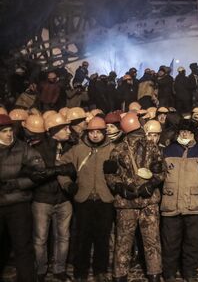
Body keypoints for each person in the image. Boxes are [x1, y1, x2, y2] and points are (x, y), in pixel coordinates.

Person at [105, 112, 166, 282]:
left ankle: (120, 276)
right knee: (152, 242)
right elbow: (161, 171)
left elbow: (110, 175)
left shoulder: (116, 149)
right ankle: (155, 275)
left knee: (123, 242)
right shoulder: (152, 147)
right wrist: (151, 184)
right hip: (148, 203)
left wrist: (120, 188)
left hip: (126, 203)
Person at [161, 119, 198, 282]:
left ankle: (189, 272)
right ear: (178, 132)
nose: (184, 134)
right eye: (182, 131)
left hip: (194, 205)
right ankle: (169, 273)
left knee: (192, 243)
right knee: (169, 243)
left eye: (188, 131)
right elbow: (158, 175)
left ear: (193, 133)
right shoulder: (167, 151)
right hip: (170, 204)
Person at [57, 117, 115, 282]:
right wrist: (67, 184)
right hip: (84, 200)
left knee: (102, 238)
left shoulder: (113, 149)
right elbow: (60, 167)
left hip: (105, 200)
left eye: (99, 132)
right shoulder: (78, 150)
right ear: (87, 133)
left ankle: (100, 271)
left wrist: (116, 179)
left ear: (104, 133)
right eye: (92, 132)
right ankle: (80, 271)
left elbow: (123, 173)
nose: (95, 135)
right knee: (82, 237)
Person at [0, 114, 45, 282]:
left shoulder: (23, 148)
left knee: (23, 247)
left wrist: (18, 183)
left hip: (18, 204)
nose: (8, 134)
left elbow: (39, 172)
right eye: (4, 131)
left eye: (10, 130)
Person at [31, 114, 76, 282]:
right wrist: (59, 169)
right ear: (54, 131)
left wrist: (60, 170)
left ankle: (59, 269)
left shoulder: (71, 147)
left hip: (63, 199)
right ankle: (41, 270)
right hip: (43, 199)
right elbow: (37, 174)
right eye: (64, 128)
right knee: (40, 238)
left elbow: (74, 169)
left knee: (63, 236)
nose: (68, 130)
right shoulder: (38, 148)